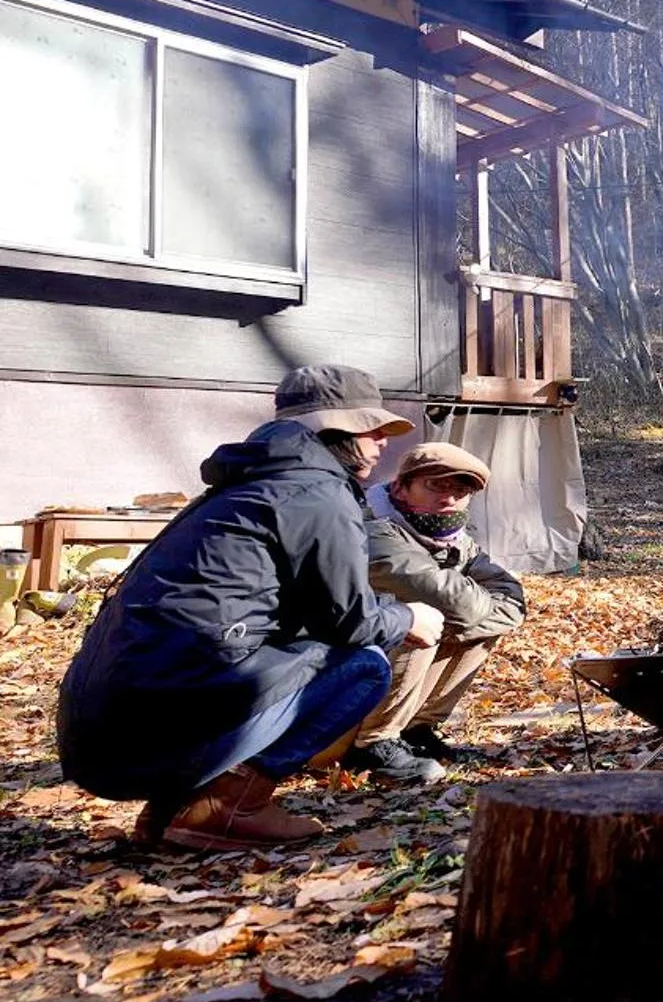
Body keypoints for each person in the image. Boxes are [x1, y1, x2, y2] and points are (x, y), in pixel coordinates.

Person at [56, 365, 434, 852]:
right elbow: (348, 621)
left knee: (283, 650)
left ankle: (173, 810)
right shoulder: (315, 491)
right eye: (372, 428)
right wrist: (409, 617)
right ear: (333, 429)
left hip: (99, 735)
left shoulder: (245, 485)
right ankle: (229, 807)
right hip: (148, 732)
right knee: (364, 665)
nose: (384, 441)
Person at [340, 443, 525, 784]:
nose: (449, 499)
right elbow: (449, 600)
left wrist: (474, 613)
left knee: (473, 627)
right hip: (330, 682)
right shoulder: (373, 528)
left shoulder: (449, 537)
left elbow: (512, 597)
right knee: (421, 621)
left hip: (363, 670)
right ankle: (373, 743)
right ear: (400, 487)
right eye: (437, 486)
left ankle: (415, 728)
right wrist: (471, 609)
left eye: (461, 490)